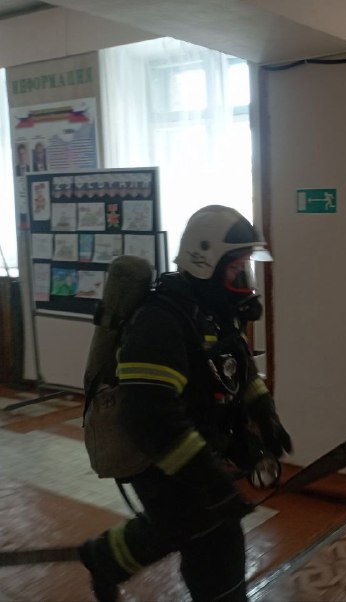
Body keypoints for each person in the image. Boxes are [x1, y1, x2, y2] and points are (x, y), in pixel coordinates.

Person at [79, 205, 293, 601]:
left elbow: (239, 369)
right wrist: (209, 479)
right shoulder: (160, 323)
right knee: (215, 540)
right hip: (159, 454)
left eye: (245, 269)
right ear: (205, 262)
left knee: (177, 526)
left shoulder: (215, 311)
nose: (243, 281)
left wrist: (266, 414)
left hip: (196, 444)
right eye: (236, 269)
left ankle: (105, 559)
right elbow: (152, 420)